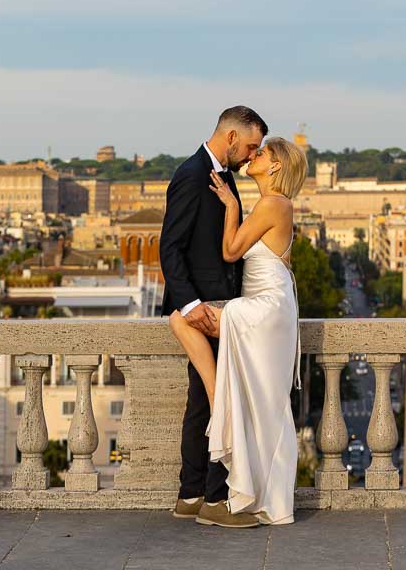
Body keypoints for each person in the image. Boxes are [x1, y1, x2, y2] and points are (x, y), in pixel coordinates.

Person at [169, 134, 309, 527]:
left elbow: (231, 251)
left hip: (264, 308)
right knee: (263, 404)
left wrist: (230, 207)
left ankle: (217, 397)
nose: (254, 156)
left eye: (261, 153)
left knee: (181, 317)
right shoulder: (275, 205)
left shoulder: (272, 203)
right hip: (267, 307)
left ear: (276, 165)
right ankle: (221, 401)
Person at [159, 105, 268, 527]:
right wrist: (188, 306)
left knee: (202, 402)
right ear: (231, 138)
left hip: (219, 306)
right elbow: (170, 247)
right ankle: (217, 501)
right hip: (207, 309)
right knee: (221, 400)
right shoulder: (191, 174)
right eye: (250, 147)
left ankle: (191, 493)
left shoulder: (218, 175)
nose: (250, 155)